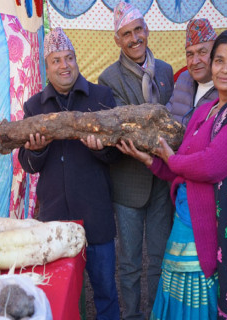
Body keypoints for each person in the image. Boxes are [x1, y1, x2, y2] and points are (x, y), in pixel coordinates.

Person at [118, 29, 227, 319]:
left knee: (202, 306)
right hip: (186, 221)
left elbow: (212, 165)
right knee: (177, 302)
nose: (224, 69)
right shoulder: (205, 111)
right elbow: (183, 166)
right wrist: (151, 161)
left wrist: (171, 160)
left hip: (217, 228)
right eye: (219, 60)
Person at [17, 27, 120, 320]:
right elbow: (28, 164)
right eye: (57, 60)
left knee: (105, 292)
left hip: (95, 215)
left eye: (69, 58)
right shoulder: (34, 106)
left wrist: (101, 148)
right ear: (46, 67)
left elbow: (115, 155)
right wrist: (37, 149)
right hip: (55, 218)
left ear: (76, 60)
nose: (64, 65)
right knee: (61, 294)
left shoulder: (101, 96)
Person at [97, 2, 174, 319]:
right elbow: (122, 128)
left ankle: (156, 315)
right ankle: (132, 316)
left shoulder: (167, 71)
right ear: (117, 40)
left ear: (147, 30)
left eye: (137, 30)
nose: (134, 38)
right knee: (129, 262)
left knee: (159, 257)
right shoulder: (109, 79)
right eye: (126, 34)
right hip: (129, 182)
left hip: (163, 178)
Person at [166, 18, 218, 125]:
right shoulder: (183, 79)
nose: (194, 61)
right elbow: (166, 117)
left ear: (216, 54)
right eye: (190, 54)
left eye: (202, 52)